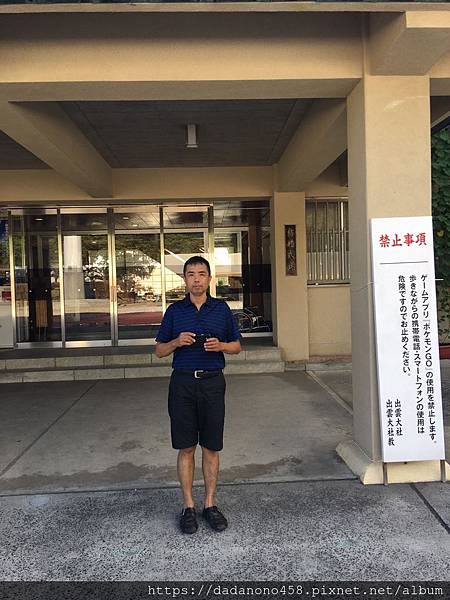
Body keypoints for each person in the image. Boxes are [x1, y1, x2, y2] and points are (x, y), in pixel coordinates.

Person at [155, 256, 242, 534]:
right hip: (182, 384)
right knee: (186, 447)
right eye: (191, 274)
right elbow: (159, 351)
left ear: (209, 279)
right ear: (184, 278)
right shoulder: (174, 311)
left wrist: (221, 346)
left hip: (213, 383)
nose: (196, 279)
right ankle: (189, 506)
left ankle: (210, 504)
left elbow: (237, 346)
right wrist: (176, 341)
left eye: (201, 274)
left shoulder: (221, 309)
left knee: (211, 447)